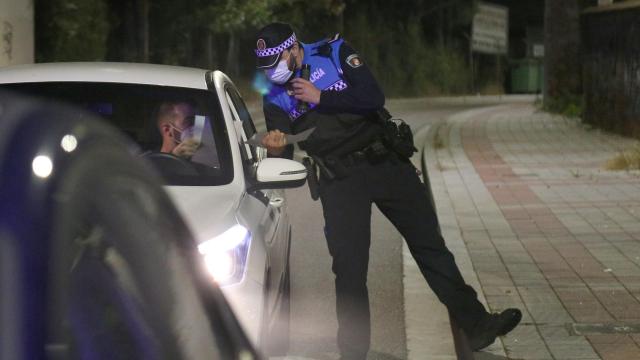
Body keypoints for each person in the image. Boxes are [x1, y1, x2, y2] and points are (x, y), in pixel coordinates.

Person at [254, 23, 522, 359]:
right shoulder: (273, 94)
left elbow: (372, 97)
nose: (272, 72)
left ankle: (478, 324)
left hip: (384, 163)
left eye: (276, 61)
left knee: (429, 245)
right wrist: (276, 147)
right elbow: (287, 150)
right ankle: (352, 352)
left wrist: (321, 97)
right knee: (349, 270)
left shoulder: (333, 52)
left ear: (293, 49)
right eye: (266, 67)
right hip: (340, 179)